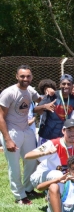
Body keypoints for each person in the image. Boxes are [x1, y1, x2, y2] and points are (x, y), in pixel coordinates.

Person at [0, 65, 43, 204]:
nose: (25, 79)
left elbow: (41, 101)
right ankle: (20, 196)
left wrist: (48, 90)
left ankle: (28, 189)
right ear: (17, 76)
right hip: (12, 131)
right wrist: (7, 140)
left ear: (32, 77)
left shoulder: (30, 90)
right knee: (15, 166)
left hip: (27, 130)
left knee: (31, 160)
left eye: (28, 76)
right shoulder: (9, 93)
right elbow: (1, 117)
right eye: (22, 76)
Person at [26, 119, 74, 189]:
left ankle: (53, 193)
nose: (72, 134)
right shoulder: (53, 143)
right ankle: (55, 196)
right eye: (69, 131)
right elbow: (27, 156)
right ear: (63, 131)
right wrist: (46, 152)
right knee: (58, 175)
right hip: (40, 178)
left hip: (63, 177)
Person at [36, 74, 74, 144]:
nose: (66, 86)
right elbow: (35, 109)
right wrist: (45, 106)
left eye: (68, 84)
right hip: (46, 136)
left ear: (72, 86)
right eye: (63, 84)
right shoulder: (52, 96)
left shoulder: (73, 99)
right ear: (60, 85)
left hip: (62, 138)